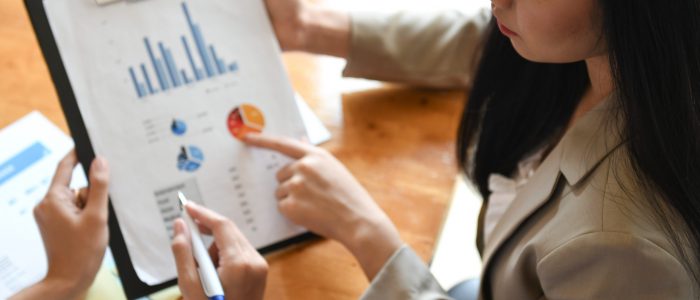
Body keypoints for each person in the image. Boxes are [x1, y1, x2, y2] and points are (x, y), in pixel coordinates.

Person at [12, 0, 700, 298]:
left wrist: (370, 235)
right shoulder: (620, 57)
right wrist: (311, 25)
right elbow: (491, 40)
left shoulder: (627, 249)